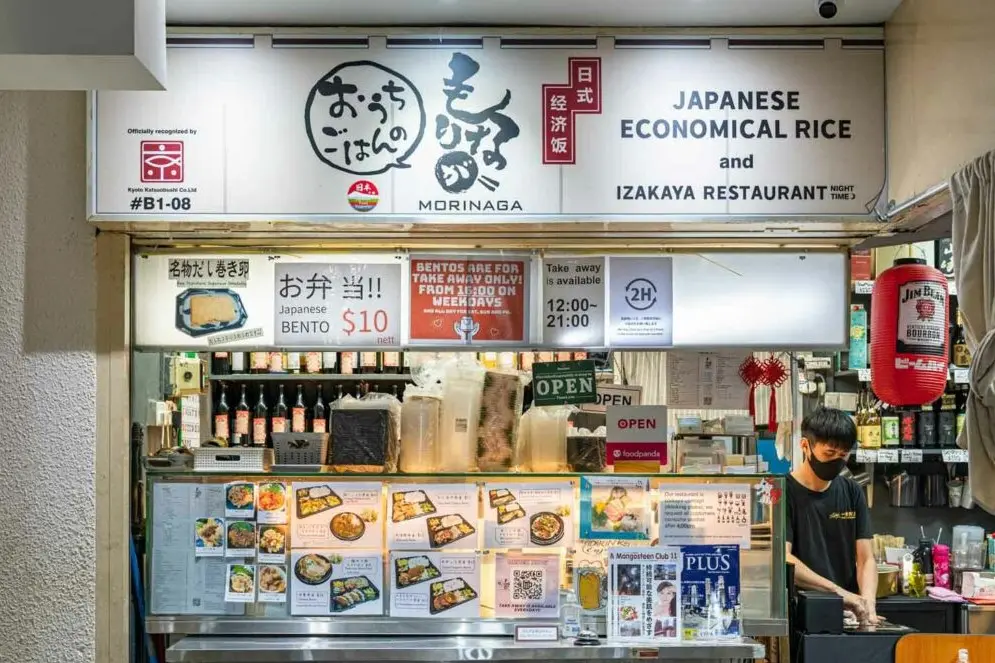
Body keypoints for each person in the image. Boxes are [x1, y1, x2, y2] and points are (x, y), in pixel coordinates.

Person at [786, 407, 879, 624]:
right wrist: (838, 593)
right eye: (829, 453)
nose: (837, 461)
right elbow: (784, 558)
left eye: (843, 455)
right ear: (805, 446)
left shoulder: (852, 491)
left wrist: (868, 604)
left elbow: (866, 559)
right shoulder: (783, 492)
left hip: (848, 614)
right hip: (803, 613)